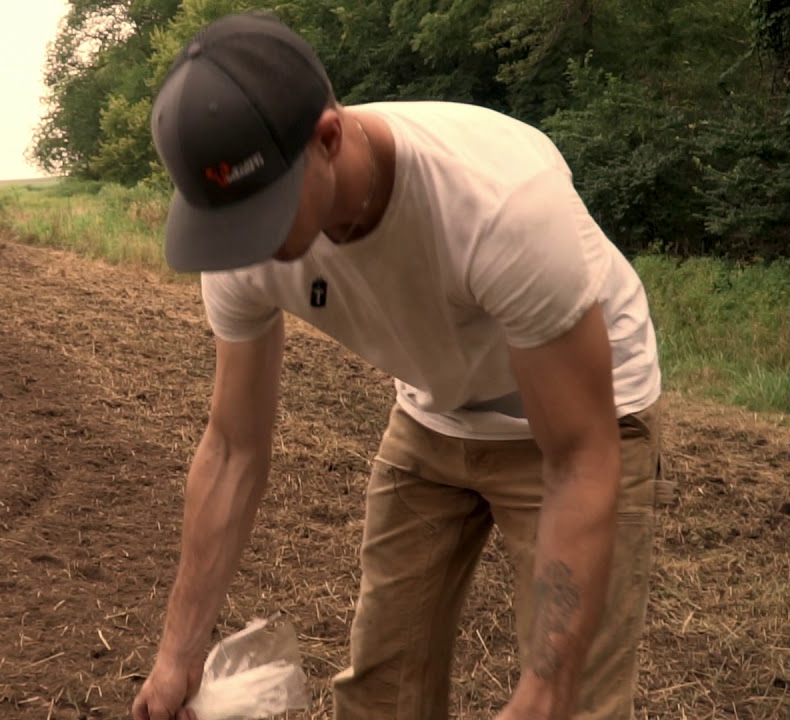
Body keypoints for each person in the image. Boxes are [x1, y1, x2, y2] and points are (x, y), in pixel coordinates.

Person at [132, 11, 670, 720]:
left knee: (574, 704)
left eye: (258, 216)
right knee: (382, 689)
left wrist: (546, 689)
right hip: (432, 412)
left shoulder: (499, 206)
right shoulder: (240, 240)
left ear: (327, 139)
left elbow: (579, 455)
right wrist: (177, 657)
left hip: (582, 419)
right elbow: (232, 449)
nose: (242, 248)